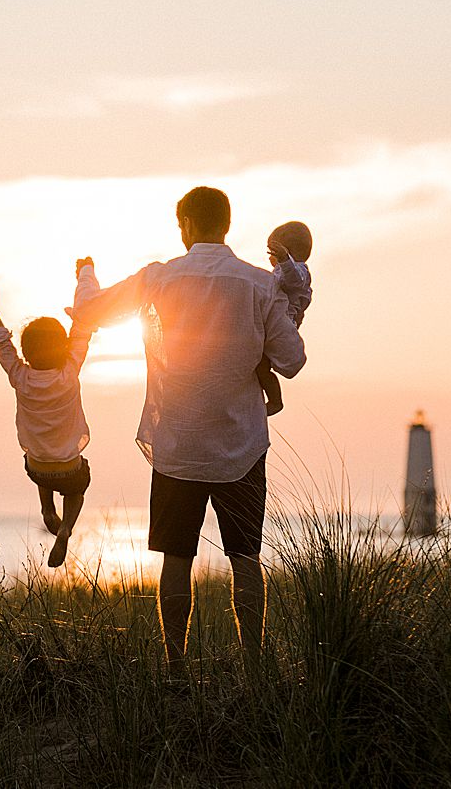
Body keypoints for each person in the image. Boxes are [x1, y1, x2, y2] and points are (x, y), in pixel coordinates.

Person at [72, 186, 305, 671]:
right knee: (245, 558)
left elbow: (92, 313)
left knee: (176, 559)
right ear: (225, 222)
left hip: (178, 444)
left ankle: (175, 666)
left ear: (186, 224)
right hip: (241, 445)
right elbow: (292, 360)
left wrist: (86, 273)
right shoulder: (259, 284)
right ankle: (255, 667)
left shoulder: (160, 278)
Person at [0, 260, 96, 568]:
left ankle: (46, 510)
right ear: (63, 346)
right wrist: (85, 273)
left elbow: (1, 339)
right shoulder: (69, 372)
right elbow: (82, 324)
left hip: (37, 469)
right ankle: (66, 526)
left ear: (27, 351)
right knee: (78, 483)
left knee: (40, 454)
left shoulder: (19, 375)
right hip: (69, 468)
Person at [255, 220, 313, 415]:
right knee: (261, 365)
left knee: (262, 365)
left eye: (273, 253)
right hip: (279, 321)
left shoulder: (299, 270)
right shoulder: (286, 270)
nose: (271, 259)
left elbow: (293, 280)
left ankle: (275, 400)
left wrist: (284, 261)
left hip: (284, 324)